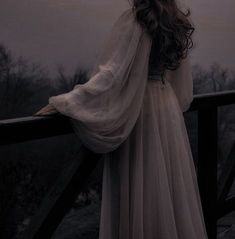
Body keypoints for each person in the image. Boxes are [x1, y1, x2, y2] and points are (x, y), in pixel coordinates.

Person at [34, 1, 209, 238]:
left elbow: (112, 74)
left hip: (141, 110)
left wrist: (67, 101)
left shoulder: (137, 20)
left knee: (142, 187)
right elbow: (182, 88)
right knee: (164, 188)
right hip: (167, 109)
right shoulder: (174, 20)